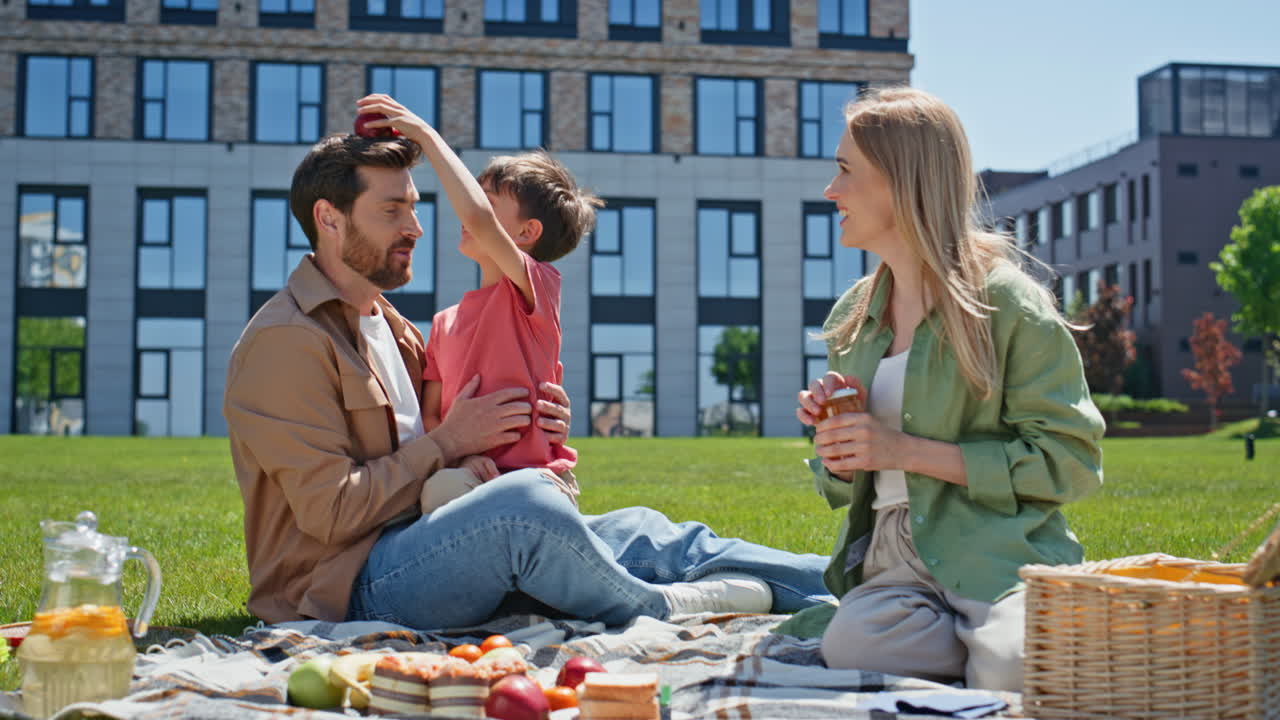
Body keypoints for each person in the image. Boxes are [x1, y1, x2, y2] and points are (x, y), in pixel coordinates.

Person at [223, 116, 833, 631]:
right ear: (330, 219)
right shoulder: (286, 342)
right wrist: (450, 444)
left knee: (649, 533)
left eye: (414, 207)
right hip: (347, 588)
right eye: (392, 210)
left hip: (442, 532)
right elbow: (331, 513)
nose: (416, 227)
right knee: (526, 509)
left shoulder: (396, 328)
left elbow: (468, 413)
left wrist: (534, 427)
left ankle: (863, 584)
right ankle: (658, 608)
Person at [792, 87, 1105, 692]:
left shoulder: (1007, 304)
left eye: (845, 171)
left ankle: (994, 641)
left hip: (998, 556)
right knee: (853, 646)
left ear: (900, 181)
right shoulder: (856, 315)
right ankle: (978, 647)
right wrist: (837, 444)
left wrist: (903, 451)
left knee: (1013, 667)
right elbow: (847, 483)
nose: (831, 191)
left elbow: (1072, 464)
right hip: (892, 568)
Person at [355, 96, 598, 513]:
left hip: (538, 480)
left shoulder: (537, 290)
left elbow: (480, 221)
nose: (468, 212)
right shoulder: (444, 323)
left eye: (486, 200)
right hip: (469, 475)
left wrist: (426, 136)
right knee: (439, 492)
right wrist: (462, 453)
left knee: (506, 507)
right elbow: (432, 416)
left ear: (526, 232)